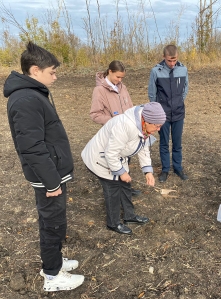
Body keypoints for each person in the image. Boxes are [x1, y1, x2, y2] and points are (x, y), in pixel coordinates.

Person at [3, 41, 84, 291]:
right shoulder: (26, 99)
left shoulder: (33, 94)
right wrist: (52, 182)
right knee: (52, 223)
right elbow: (32, 147)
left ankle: (55, 262)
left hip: (53, 172)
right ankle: (52, 276)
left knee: (55, 221)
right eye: (52, 72)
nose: (56, 77)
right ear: (35, 70)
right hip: (49, 177)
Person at [81, 102, 166, 235]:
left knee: (126, 185)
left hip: (117, 157)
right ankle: (113, 223)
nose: (159, 129)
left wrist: (148, 171)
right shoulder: (125, 125)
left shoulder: (144, 126)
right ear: (146, 120)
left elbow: (143, 148)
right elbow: (111, 153)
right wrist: (121, 172)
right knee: (113, 189)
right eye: (157, 126)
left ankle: (129, 216)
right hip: (100, 158)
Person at [89, 60, 141, 197]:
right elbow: (95, 114)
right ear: (110, 71)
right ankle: (118, 190)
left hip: (127, 132)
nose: (119, 80)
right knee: (115, 162)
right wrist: (114, 121)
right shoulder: (99, 91)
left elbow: (130, 107)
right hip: (114, 133)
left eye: (122, 78)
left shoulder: (122, 87)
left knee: (126, 161)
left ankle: (126, 189)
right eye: (117, 77)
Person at [148, 44, 189, 182]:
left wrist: (178, 102)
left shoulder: (183, 69)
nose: (172, 64)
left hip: (178, 113)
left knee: (177, 143)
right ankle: (165, 169)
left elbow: (185, 89)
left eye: (174, 60)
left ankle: (177, 167)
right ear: (163, 57)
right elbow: (152, 93)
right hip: (163, 115)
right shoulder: (156, 71)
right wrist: (157, 111)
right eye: (169, 60)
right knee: (164, 143)